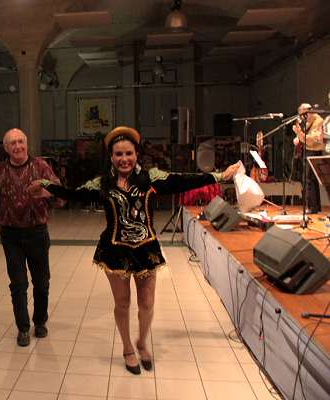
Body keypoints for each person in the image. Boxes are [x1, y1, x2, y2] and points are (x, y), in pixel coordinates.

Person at [29, 126, 239, 374]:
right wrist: (46, 185)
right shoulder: (102, 183)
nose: (124, 159)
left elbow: (183, 180)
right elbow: (74, 194)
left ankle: (141, 341)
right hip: (114, 250)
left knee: (147, 302)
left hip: (146, 249)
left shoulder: (151, 178)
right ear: (111, 156)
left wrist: (219, 176)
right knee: (123, 303)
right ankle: (128, 347)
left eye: (128, 153)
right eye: (118, 154)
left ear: (136, 154)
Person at [0, 128, 63, 347]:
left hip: (37, 233)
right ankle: (23, 328)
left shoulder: (41, 166)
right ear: (6, 148)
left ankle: (40, 321)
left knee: (41, 282)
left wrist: (47, 192)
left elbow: (61, 195)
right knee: (18, 284)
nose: (18, 146)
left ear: (26, 144)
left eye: (21, 141)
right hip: (10, 236)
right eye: (13, 143)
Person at [293, 103, 324, 214]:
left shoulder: (318, 121)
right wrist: (297, 137)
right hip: (308, 150)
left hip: (314, 151)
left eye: (303, 115)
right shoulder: (308, 121)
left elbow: (311, 139)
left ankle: (311, 207)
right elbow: (303, 136)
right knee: (311, 179)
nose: (302, 117)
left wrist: (299, 133)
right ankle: (316, 206)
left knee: (309, 180)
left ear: (307, 112)